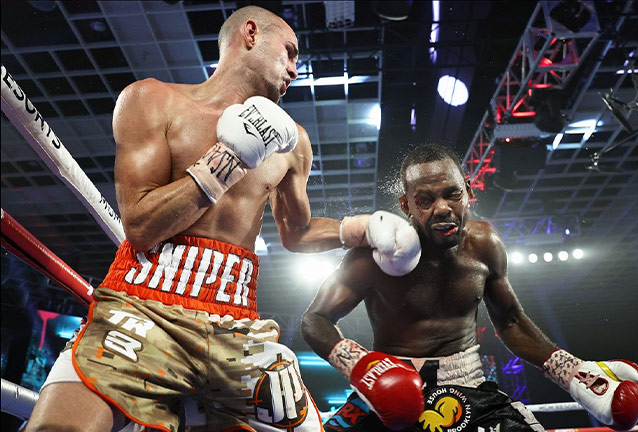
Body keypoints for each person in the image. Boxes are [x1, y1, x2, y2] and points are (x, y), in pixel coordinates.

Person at [25, 6, 421, 432]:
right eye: (289, 52)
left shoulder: (293, 142)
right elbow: (140, 226)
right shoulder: (152, 100)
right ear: (251, 34)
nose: (294, 68)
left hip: (237, 323)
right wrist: (226, 160)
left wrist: (365, 229)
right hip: (143, 304)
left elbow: (298, 232)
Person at [301, 144, 638, 432]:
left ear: (468, 192)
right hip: (389, 383)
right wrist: (362, 365)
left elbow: (511, 321)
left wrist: (573, 371)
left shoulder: (485, 243)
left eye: (452, 194)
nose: (442, 208)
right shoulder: (372, 256)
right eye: (425, 200)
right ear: (406, 205)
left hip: (469, 384)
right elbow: (315, 319)